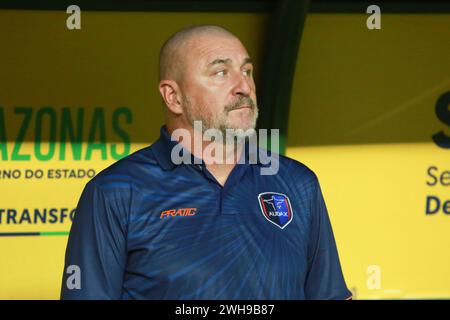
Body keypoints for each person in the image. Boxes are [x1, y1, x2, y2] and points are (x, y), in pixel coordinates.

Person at [61, 25, 352, 300]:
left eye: (247, 71)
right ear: (173, 97)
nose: (244, 86)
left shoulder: (298, 183)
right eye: (221, 72)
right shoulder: (116, 191)